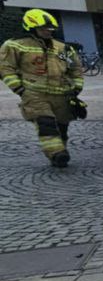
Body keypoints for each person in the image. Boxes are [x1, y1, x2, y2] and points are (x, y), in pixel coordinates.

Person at [0, 9, 85, 167]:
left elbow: (76, 69)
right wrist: (19, 89)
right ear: (31, 27)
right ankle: (57, 153)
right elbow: (5, 68)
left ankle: (60, 153)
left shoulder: (63, 47)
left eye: (50, 29)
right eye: (43, 29)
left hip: (62, 95)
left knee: (62, 127)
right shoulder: (14, 45)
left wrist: (77, 87)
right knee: (46, 124)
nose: (48, 32)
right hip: (34, 94)